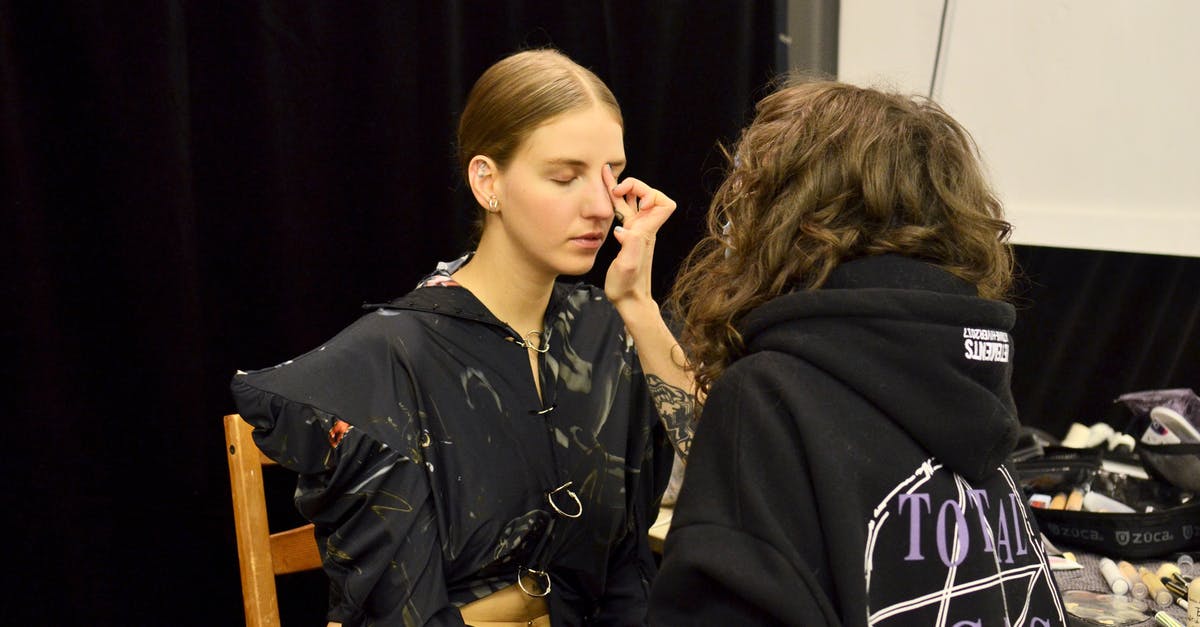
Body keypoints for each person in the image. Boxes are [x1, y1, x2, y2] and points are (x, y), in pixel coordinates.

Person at [231, 49, 695, 626]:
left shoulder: (612, 330)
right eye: (564, 176)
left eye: (612, 175)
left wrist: (638, 308)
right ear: (487, 181)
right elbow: (405, 611)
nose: (602, 206)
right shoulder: (392, 361)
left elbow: (723, 480)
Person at [649, 80, 1067, 625]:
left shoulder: (770, 396)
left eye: (750, 191)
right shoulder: (967, 379)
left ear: (787, 217)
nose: (732, 220)